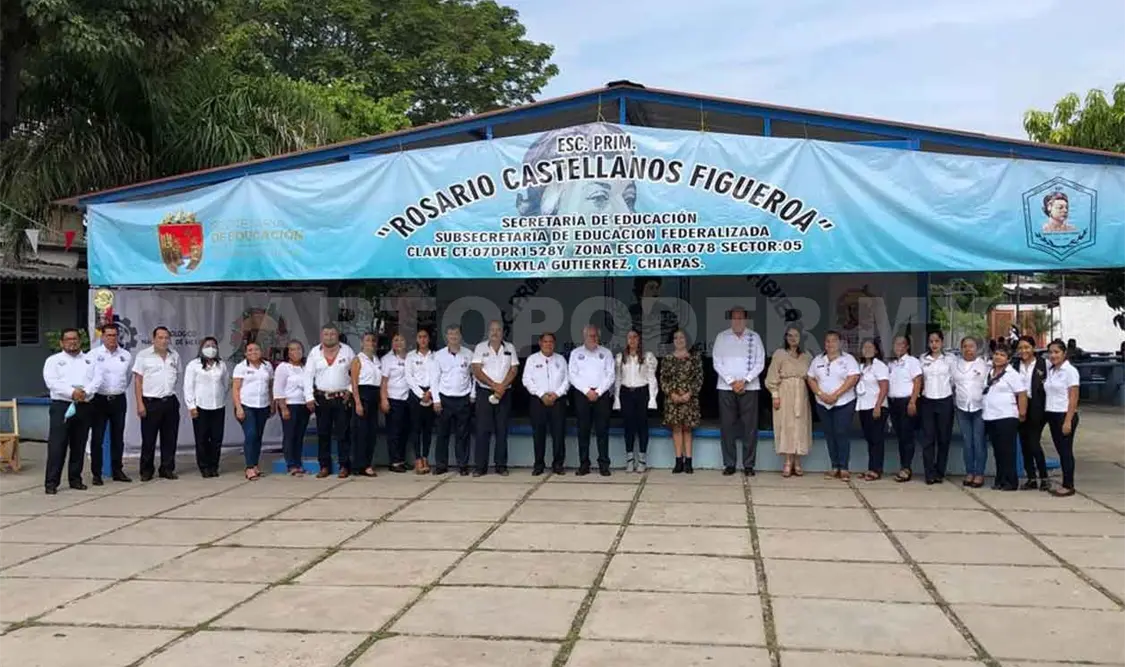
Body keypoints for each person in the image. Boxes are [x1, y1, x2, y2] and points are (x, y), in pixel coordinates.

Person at [712, 306, 766, 476]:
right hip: (725, 388)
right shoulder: (722, 337)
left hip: (750, 388)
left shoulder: (754, 337)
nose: (737, 321)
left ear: (745, 319)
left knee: (749, 427)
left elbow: (760, 362)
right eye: (734, 318)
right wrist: (731, 381)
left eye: (740, 318)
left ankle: (749, 465)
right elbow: (717, 362)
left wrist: (746, 380)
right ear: (731, 320)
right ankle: (729, 464)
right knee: (727, 427)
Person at [42, 328, 94, 494]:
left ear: (80, 341)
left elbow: (96, 380)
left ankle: (75, 479)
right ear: (61, 343)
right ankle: (51, 483)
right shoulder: (53, 361)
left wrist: (85, 393)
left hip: (84, 405)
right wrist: (72, 393)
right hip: (62, 406)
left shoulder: (89, 360)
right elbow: (52, 383)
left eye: (75, 339)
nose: (72, 342)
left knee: (79, 445)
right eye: (68, 339)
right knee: (58, 446)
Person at [806, 331, 861, 480]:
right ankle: (834, 466)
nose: (830, 344)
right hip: (823, 403)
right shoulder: (818, 360)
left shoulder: (848, 359)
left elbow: (853, 377)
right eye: (828, 341)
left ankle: (844, 467)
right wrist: (820, 393)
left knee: (841, 432)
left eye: (834, 341)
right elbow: (810, 378)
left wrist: (836, 394)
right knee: (830, 434)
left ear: (840, 343)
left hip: (844, 402)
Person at [305, 324, 355, 478]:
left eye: (332, 334)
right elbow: (307, 376)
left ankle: (344, 465)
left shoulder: (347, 351)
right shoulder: (315, 352)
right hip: (322, 398)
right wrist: (309, 397)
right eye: (326, 334)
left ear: (337, 335)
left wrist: (350, 390)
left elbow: (356, 372)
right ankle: (324, 466)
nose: (329, 337)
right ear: (322, 336)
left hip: (342, 398)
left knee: (343, 433)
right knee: (323, 433)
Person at [133, 326, 181, 481]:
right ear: (153, 339)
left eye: (166, 337)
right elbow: (138, 381)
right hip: (150, 402)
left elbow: (177, 376)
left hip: (170, 401)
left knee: (170, 438)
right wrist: (140, 403)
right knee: (148, 439)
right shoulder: (143, 355)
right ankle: (146, 470)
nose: (164, 340)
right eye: (160, 337)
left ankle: (167, 468)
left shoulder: (174, 355)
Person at [471, 320, 519, 477]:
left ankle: (501, 466)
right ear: (488, 332)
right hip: (485, 393)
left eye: (498, 330)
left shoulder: (510, 348)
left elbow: (514, 369)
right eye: (492, 330)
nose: (495, 333)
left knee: (502, 430)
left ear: (503, 332)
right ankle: (480, 467)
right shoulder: (480, 347)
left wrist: (502, 387)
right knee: (482, 430)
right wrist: (494, 385)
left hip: (504, 393)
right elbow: (476, 370)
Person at [765, 326, 813, 478]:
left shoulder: (807, 356)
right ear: (785, 337)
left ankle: (797, 461)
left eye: (796, 335)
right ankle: (787, 461)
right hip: (784, 392)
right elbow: (771, 377)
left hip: (801, 392)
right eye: (790, 335)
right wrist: (775, 395)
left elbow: (813, 376)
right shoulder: (780, 354)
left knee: (800, 425)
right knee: (786, 425)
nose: (793, 338)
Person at [569, 324, 616, 476]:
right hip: (582, 395)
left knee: (602, 430)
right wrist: (587, 391)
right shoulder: (576, 353)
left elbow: (611, 375)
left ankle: (604, 464)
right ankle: (584, 464)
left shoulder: (606, 353)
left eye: (595, 335)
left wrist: (599, 391)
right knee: (583, 431)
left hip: (601, 396)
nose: (593, 338)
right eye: (590, 335)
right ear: (584, 337)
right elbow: (572, 375)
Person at [88, 323, 132, 484]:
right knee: (97, 438)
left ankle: (117, 470)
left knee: (118, 437)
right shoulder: (93, 355)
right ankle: (96, 473)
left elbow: (127, 378)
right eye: (109, 335)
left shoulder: (126, 355)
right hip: (99, 399)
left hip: (118, 399)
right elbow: (89, 377)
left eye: (115, 335)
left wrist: (117, 390)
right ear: (102, 336)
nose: (112, 338)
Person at [523, 332, 570, 475]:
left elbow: (567, 380)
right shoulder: (532, 359)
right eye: (545, 341)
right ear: (540, 343)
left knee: (559, 434)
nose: (548, 344)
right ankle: (538, 465)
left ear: (554, 344)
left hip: (558, 400)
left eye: (551, 342)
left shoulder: (561, 359)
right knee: (538, 434)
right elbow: (526, 380)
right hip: (538, 401)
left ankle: (558, 464)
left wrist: (557, 394)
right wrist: (541, 394)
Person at [982, 345, 1027, 491]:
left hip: (1006, 416)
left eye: (1002, 355)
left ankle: (1011, 481)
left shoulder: (1012, 374)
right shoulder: (990, 371)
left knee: (1008, 450)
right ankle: (1000, 479)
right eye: (996, 354)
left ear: (1008, 359)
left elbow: (1021, 393)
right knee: (997, 450)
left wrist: (1022, 413)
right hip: (990, 416)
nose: (998, 357)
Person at [183, 337, 229, 478]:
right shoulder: (193, 365)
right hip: (200, 407)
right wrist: (191, 406)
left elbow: (226, 384)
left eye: (214, 345)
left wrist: (221, 398)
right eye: (208, 345)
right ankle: (204, 467)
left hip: (218, 406)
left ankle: (214, 466)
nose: (211, 348)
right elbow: (188, 386)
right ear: (202, 347)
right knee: (202, 438)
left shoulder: (221, 365)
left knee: (216, 438)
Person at [432, 325, 474, 476]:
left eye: (456, 334)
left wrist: (473, 394)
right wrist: (436, 400)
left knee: (462, 434)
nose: (453, 337)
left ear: (460, 336)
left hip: (463, 398)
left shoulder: (469, 354)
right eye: (451, 334)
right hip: (444, 398)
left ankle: (462, 465)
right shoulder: (439, 355)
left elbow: (473, 376)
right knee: (442, 434)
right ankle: (441, 465)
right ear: (446, 337)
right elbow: (434, 379)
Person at [614, 328, 658, 473]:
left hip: (641, 393)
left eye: (635, 337)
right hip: (626, 393)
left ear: (639, 339)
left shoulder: (647, 356)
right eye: (629, 337)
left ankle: (642, 460)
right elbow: (618, 379)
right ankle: (629, 459)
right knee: (628, 426)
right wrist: (616, 398)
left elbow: (652, 378)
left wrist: (652, 398)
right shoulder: (621, 357)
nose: (632, 340)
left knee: (642, 425)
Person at [660, 329, 703, 474]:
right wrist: (672, 393)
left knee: (687, 429)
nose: (679, 340)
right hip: (673, 401)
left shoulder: (694, 358)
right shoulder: (667, 359)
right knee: (676, 429)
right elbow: (663, 379)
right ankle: (678, 461)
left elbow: (699, 378)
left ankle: (689, 462)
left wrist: (689, 393)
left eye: (682, 337)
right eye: (676, 338)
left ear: (687, 340)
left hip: (689, 399)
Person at [1044, 339, 1081, 497]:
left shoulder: (1069, 371)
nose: (1053, 355)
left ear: (1064, 353)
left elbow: (1073, 397)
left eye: (1056, 352)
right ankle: (1066, 482)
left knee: (1066, 451)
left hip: (1064, 414)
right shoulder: (1052, 370)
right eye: (1051, 352)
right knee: (1060, 450)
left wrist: (1068, 420)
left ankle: (1068, 484)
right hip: (1052, 413)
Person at [918, 331, 955, 485]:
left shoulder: (950, 359)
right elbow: (919, 379)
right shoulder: (922, 359)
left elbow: (954, 380)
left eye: (937, 341)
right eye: (931, 341)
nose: (934, 344)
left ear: (942, 342)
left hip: (945, 400)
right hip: (927, 401)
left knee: (943, 438)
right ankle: (929, 473)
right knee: (928, 438)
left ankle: (940, 471)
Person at [232, 342, 273, 480]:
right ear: (245, 353)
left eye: (256, 349)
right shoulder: (241, 367)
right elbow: (236, 388)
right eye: (250, 350)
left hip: (263, 405)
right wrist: (238, 407)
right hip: (246, 405)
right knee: (251, 434)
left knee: (258, 436)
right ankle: (249, 467)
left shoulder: (267, 366)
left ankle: (255, 464)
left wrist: (272, 403)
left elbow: (270, 386)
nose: (253, 352)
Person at [951, 336, 989, 488]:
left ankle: (979, 473)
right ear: (961, 349)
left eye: (971, 346)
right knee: (967, 442)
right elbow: (952, 385)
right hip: (962, 408)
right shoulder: (955, 365)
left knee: (978, 441)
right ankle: (969, 472)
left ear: (976, 348)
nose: (968, 349)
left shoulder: (984, 365)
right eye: (965, 346)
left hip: (979, 408)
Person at [1012, 335, 1049, 490]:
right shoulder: (1014, 365)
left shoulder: (1044, 364)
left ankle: (1044, 477)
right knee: (1024, 443)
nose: (1023, 351)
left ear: (1033, 348)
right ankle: (1031, 478)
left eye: (1027, 347)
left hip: (1037, 407)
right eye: (1020, 348)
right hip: (1019, 406)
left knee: (1034, 443)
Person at [887, 335, 922, 483]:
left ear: (907, 347)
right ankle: (903, 465)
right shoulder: (892, 364)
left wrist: (913, 401)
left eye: (902, 344)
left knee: (907, 436)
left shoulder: (912, 362)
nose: (898, 347)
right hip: (893, 403)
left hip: (907, 402)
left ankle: (906, 467)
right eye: (896, 344)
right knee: (900, 435)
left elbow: (917, 381)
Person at [274, 340, 310, 476]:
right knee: (290, 435)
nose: (297, 352)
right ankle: (291, 464)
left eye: (299, 349)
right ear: (287, 353)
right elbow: (278, 389)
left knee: (299, 436)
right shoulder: (283, 367)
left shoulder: (305, 367)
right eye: (293, 350)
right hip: (289, 404)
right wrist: (283, 408)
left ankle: (298, 462)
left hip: (303, 405)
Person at [855, 338, 889, 481]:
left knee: (877, 439)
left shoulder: (879, 366)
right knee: (870, 439)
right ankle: (871, 467)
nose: (867, 349)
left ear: (876, 350)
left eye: (870, 347)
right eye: (864, 347)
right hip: (864, 406)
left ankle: (876, 469)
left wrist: (878, 406)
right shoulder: (861, 367)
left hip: (876, 407)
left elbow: (884, 387)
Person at [350, 332, 383, 477]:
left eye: (373, 340)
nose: (371, 343)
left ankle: (368, 462)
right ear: (362, 343)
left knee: (371, 432)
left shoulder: (376, 360)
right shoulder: (358, 359)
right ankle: (360, 464)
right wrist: (357, 402)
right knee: (361, 432)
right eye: (367, 340)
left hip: (374, 395)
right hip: (362, 395)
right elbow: (354, 382)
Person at [406, 329, 438, 474]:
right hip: (416, 394)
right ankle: (417, 458)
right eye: (420, 337)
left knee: (427, 429)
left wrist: (430, 392)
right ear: (417, 340)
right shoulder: (411, 357)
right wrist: (421, 394)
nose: (423, 340)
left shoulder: (435, 356)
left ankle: (425, 457)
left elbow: (438, 376)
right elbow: (409, 378)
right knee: (415, 428)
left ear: (429, 339)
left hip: (432, 393)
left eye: (425, 337)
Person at [381, 333, 412, 473]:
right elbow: (383, 381)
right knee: (394, 432)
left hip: (407, 399)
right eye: (395, 340)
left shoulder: (410, 357)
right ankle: (394, 461)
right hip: (393, 398)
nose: (398, 342)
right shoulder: (387, 359)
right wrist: (384, 399)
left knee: (405, 431)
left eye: (401, 340)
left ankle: (402, 460)